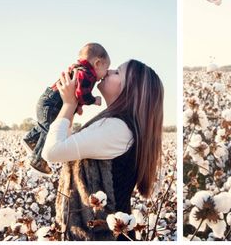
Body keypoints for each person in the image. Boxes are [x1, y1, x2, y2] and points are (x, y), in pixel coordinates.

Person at [43, 59, 164, 241]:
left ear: (131, 90)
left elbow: (52, 152)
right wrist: (72, 107)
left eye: (117, 72)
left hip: (104, 236)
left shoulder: (117, 128)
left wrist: (68, 104)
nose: (109, 71)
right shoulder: (121, 125)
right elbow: (66, 147)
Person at [23, 43, 110, 176]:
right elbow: (82, 93)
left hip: (47, 101)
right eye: (106, 68)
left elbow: (74, 93)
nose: (105, 75)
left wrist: (78, 106)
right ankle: (38, 161)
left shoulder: (78, 70)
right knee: (51, 130)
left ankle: (30, 139)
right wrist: (93, 100)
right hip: (52, 105)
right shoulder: (87, 74)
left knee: (45, 126)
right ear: (97, 63)